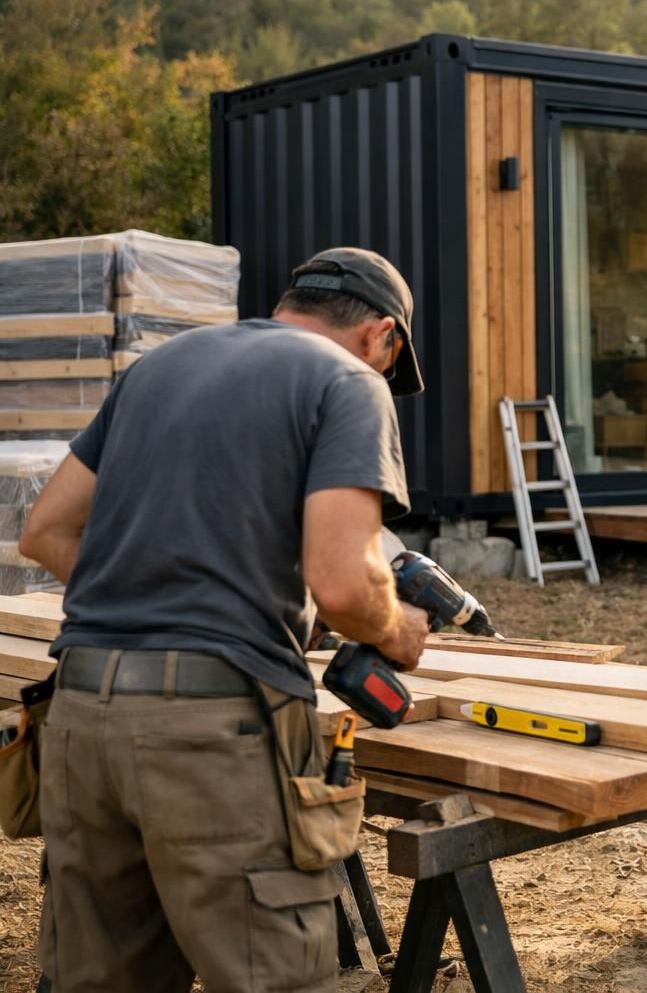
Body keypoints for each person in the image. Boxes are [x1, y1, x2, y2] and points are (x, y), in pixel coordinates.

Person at [19, 248, 433, 992]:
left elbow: (43, 533)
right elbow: (341, 585)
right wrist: (396, 629)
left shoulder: (159, 369)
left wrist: (155, 596)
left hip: (79, 718)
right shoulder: (349, 383)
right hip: (210, 735)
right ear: (383, 337)